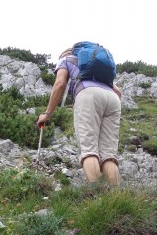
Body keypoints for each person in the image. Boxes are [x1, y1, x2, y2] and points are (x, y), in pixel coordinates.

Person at [36, 47, 123, 185]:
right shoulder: (96, 67)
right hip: (113, 99)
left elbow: (60, 84)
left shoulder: (65, 60)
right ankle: (117, 198)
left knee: (89, 150)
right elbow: (118, 92)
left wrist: (48, 113)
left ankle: (95, 194)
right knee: (108, 155)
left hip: (88, 94)